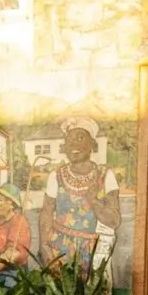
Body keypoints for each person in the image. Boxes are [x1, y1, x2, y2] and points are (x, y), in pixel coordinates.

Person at [38, 115, 120, 272]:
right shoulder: (56, 176)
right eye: (69, 140)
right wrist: (44, 247)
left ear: (92, 144)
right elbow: (46, 213)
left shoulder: (105, 176)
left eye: (80, 138)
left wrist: (93, 200)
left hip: (93, 253)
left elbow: (114, 221)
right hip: (59, 250)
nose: (73, 144)